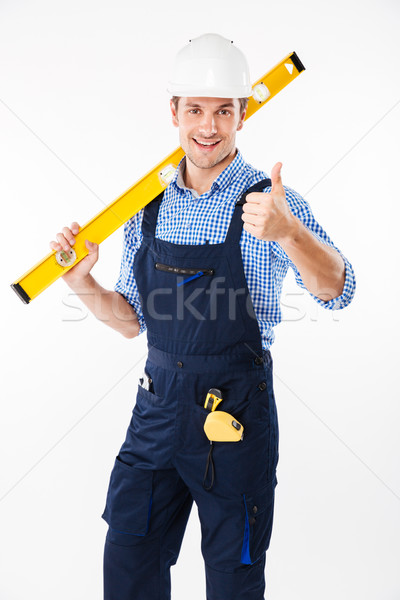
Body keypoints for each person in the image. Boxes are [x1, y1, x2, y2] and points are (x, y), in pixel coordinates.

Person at [49, 33, 356, 600]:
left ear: (243, 115)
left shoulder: (271, 202)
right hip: (157, 407)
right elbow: (129, 321)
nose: (208, 127)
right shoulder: (146, 206)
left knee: (233, 578)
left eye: (223, 111)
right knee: (127, 563)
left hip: (234, 414)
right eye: (195, 110)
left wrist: (290, 233)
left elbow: (339, 289)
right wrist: (81, 282)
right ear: (174, 112)